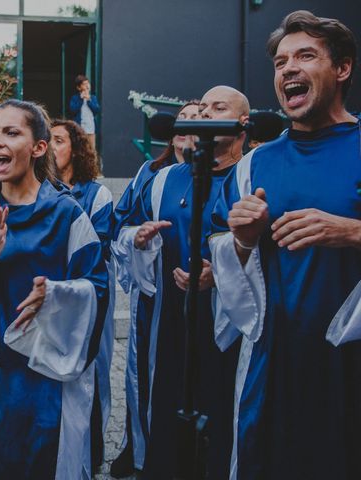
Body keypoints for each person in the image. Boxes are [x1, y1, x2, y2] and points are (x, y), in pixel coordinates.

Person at [209, 11, 361, 479]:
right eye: (280, 62)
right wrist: (242, 241)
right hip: (273, 366)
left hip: (349, 370)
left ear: (342, 69)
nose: (288, 69)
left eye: (305, 56)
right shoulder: (254, 165)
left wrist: (351, 231)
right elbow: (226, 259)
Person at [0, 99, 109, 479]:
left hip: (47, 379)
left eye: (11, 133)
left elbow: (97, 289)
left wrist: (57, 297)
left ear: (38, 148)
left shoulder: (68, 216)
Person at [114, 86, 249, 479]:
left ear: (242, 123)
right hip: (169, 323)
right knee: (169, 415)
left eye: (217, 108)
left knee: (223, 420)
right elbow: (122, 230)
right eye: (201, 109)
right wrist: (139, 239)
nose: (204, 115)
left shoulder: (252, 174)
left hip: (229, 333)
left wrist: (220, 275)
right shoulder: (163, 180)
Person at [109, 100, 199, 477]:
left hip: (200, 300)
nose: (187, 126)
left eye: (199, 119)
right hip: (155, 297)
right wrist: (138, 238)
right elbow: (121, 224)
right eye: (182, 120)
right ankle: (141, 446)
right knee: (146, 377)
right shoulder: (151, 172)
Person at [50, 118, 114, 474]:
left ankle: (90, 452)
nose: (53, 146)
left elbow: (97, 247)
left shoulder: (96, 194)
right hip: (51, 301)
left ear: (74, 148)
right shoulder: (41, 190)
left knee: (91, 373)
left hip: (85, 296)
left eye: (59, 140)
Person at [69, 75, 100, 151]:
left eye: (87, 83)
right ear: (79, 88)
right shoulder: (75, 98)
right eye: (84, 84)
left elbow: (97, 110)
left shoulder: (93, 97)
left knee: (91, 150)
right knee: (80, 149)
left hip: (91, 128)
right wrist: (81, 99)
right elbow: (73, 110)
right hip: (80, 128)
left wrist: (89, 100)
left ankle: (92, 163)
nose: (87, 86)